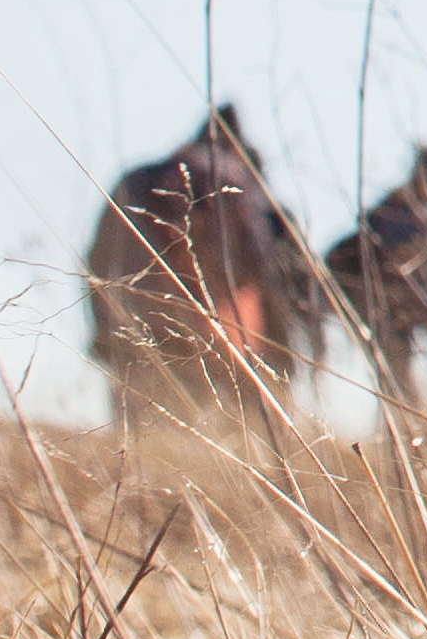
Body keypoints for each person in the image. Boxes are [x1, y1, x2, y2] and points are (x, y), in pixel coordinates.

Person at [88, 104, 317, 423]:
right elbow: (260, 264)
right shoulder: (234, 180)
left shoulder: (132, 180)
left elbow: (96, 263)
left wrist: (104, 327)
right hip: (212, 329)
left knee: (139, 442)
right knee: (228, 441)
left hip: (129, 323)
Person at [324, 144, 427, 406]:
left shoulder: (402, 208)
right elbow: (407, 277)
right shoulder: (403, 211)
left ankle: (401, 433)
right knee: (398, 382)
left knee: (395, 381)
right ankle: (406, 435)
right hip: (387, 308)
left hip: (390, 308)